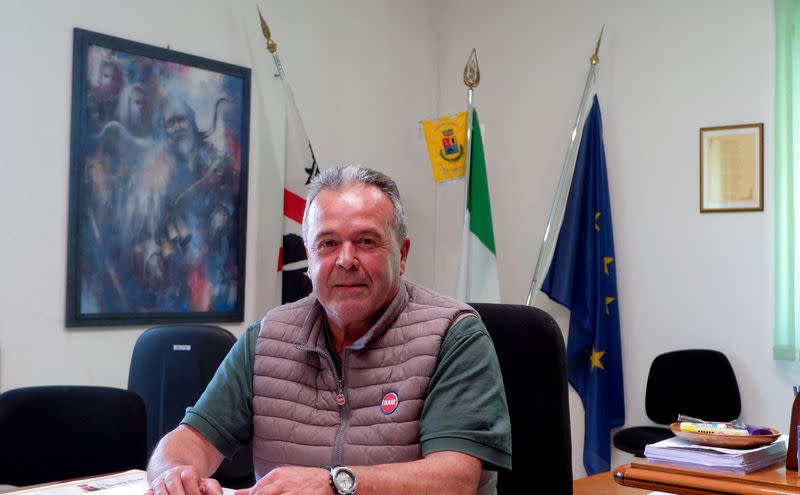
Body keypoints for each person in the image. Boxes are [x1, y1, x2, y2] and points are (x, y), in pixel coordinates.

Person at [146, 166, 511, 495]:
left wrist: (336, 483)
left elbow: (454, 480)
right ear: (310, 258)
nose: (346, 259)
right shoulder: (267, 339)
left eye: (366, 241)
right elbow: (187, 441)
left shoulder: (454, 335)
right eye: (328, 243)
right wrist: (173, 474)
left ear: (401, 255)